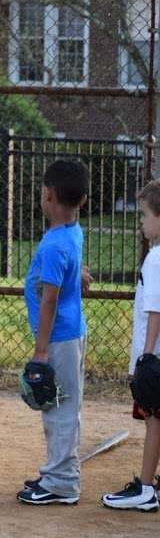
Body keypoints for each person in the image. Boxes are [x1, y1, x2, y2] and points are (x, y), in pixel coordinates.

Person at [17, 160, 89, 505]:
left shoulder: (54, 245)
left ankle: (62, 481)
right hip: (70, 334)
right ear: (83, 200)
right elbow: (68, 272)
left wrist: (40, 350)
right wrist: (79, 275)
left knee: (58, 409)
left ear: (47, 195)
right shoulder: (71, 233)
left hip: (58, 338)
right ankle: (58, 473)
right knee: (62, 408)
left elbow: (49, 300)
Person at [101, 180, 160, 512]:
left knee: (154, 419)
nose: (141, 222)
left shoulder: (155, 258)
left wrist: (147, 356)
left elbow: (155, 309)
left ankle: (147, 488)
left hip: (155, 355)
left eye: (145, 215)